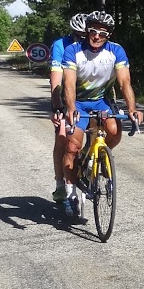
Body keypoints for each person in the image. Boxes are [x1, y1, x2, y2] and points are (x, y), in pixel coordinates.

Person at [61, 10, 142, 217]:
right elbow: (68, 83)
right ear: (87, 31)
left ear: (109, 35)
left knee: (114, 132)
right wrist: (70, 109)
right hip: (78, 101)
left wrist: (132, 109)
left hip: (102, 101)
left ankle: (93, 160)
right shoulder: (73, 50)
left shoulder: (116, 51)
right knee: (72, 145)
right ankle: (70, 192)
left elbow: (124, 82)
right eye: (93, 31)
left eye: (102, 33)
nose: (97, 36)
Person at [49, 13, 87, 205]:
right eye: (78, 35)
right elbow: (56, 78)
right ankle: (60, 185)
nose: (83, 38)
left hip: (89, 96)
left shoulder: (96, 46)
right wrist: (57, 106)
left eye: (85, 34)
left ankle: (92, 163)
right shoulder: (61, 45)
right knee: (62, 138)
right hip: (66, 94)